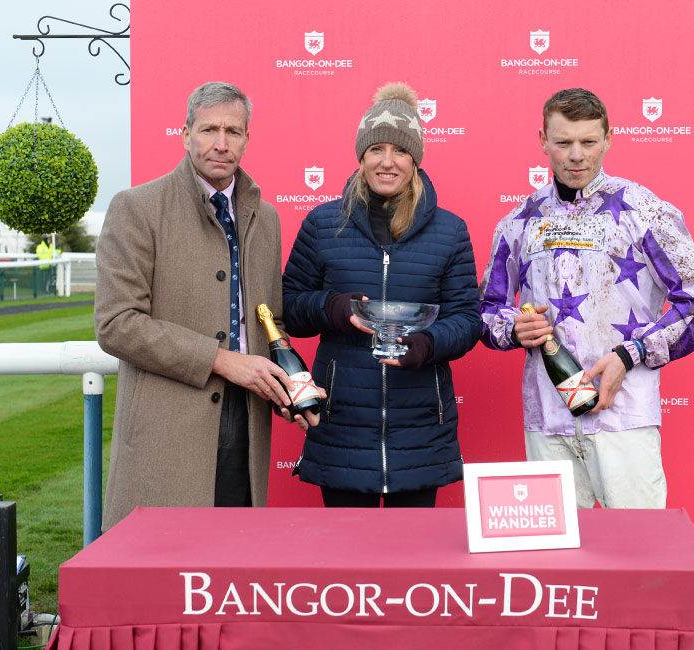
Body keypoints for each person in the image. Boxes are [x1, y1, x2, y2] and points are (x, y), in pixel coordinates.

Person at [95, 82, 321, 531]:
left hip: (247, 425)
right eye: (209, 130)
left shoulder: (266, 217)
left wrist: (284, 388)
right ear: (185, 135)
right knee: (162, 563)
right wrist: (224, 361)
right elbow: (117, 323)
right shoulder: (136, 207)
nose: (221, 143)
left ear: (247, 139)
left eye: (233, 131)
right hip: (166, 432)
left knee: (233, 558)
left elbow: (268, 321)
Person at [479, 88, 694, 509]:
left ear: (608, 139)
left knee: (639, 543)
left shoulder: (646, 211)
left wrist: (630, 354)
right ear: (543, 140)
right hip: (547, 419)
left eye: (588, 142)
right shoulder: (518, 222)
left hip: (624, 418)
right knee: (557, 548)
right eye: (563, 142)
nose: (576, 156)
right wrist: (512, 329)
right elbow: (485, 312)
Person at [281, 82, 481, 508]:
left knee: (414, 548)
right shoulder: (322, 224)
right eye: (376, 149)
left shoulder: (450, 231)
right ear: (361, 156)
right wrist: (333, 307)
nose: (387, 162)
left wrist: (426, 345)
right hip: (342, 425)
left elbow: (467, 319)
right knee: (348, 548)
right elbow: (291, 309)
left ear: (416, 159)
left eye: (400, 150)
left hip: (420, 429)